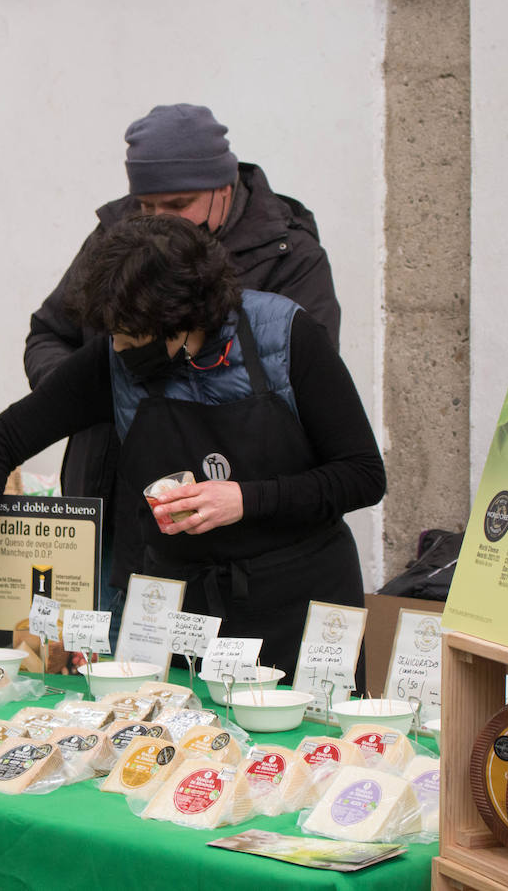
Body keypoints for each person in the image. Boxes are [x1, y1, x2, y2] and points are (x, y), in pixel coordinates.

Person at [0, 216, 384, 683]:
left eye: (131, 338)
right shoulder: (112, 362)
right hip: (182, 618)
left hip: (302, 610)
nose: (118, 347)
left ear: (180, 320)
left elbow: (363, 475)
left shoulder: (287, 338)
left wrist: (244, 499)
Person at [24, 103, 344, 612]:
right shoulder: (114, 238)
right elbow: (49, 334)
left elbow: (311, 395)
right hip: (114, 513)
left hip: (240, 535)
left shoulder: (289, 256)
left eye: (179, 204)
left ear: (224, 186)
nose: (159, 223)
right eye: (147, 207)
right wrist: (86, 392)